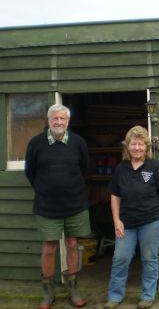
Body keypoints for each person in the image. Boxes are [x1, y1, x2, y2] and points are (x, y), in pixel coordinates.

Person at [25, 104, 90, 309]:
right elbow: (30, 172)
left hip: (75, 205)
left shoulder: (78, 142)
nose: (59, 122)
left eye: (62, 119)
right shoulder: (36, 143)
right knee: (48, 248)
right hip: (47, 207)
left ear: (68, 121)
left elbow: (85, 169)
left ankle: (73, 289)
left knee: (72, 245)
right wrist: (47, 190)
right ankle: (48, 292)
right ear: (49, 120)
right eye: (55, 119)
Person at [104, 126, 159, 309]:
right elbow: (115, 195)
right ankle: (115, 297)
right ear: (127, 147)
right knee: (121, 258)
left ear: (146, 146)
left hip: (151, 221)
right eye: (133, 144)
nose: (137, 148)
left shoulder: (154, 167)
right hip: (126, 223)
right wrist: (116, 220)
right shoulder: (121, 168)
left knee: (149, 259)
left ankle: (147, 296)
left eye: (140, 144)